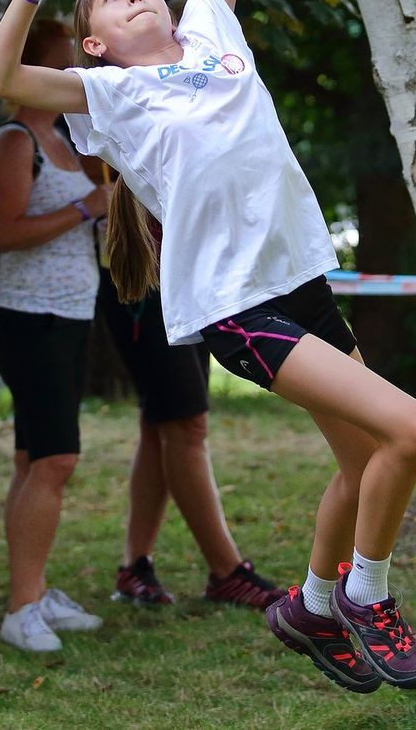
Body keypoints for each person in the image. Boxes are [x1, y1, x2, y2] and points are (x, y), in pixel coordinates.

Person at [0, 0, 416, 692]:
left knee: (363, 460)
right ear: (95, 38)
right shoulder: (109, 91)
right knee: (410, 429)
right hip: (236, 304)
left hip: (298, 271)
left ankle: (309, 608)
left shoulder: (213, 28)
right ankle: (367, 594)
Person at [0, 17, 113, 653]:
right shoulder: (13, 143)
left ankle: (32, 592)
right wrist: (87, 208)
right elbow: (6, 233)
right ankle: (22, 608)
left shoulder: (63, 138)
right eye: (59, 65)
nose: (71, 77)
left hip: (69, 314)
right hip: (29, 318)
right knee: (57, 459)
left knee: (35, 460)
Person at [99, 217, 285, 611]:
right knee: (185, 422)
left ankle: (134, 566)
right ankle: (227, 572)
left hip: (187, 266)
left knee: (159, 423)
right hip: (140, 269)